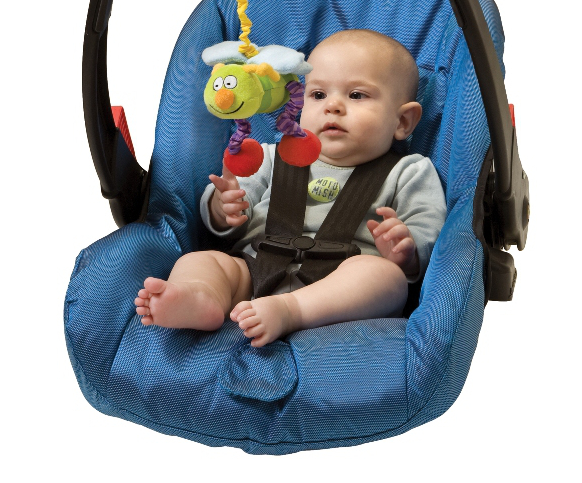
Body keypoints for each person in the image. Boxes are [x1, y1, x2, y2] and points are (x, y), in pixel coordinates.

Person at [134, 29, 446, 347]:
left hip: (342, 289)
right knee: (201, 261)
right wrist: (223, 207)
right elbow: (233, 211)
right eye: (318, 95)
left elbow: (430, 229)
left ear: (403, 121)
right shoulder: (269, 157)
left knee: (385, 278)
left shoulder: (409, 171)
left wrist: (406, 250)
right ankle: (201, 297)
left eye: (356, 95)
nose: (333, 106)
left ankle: (290, 310)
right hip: (256, 268)